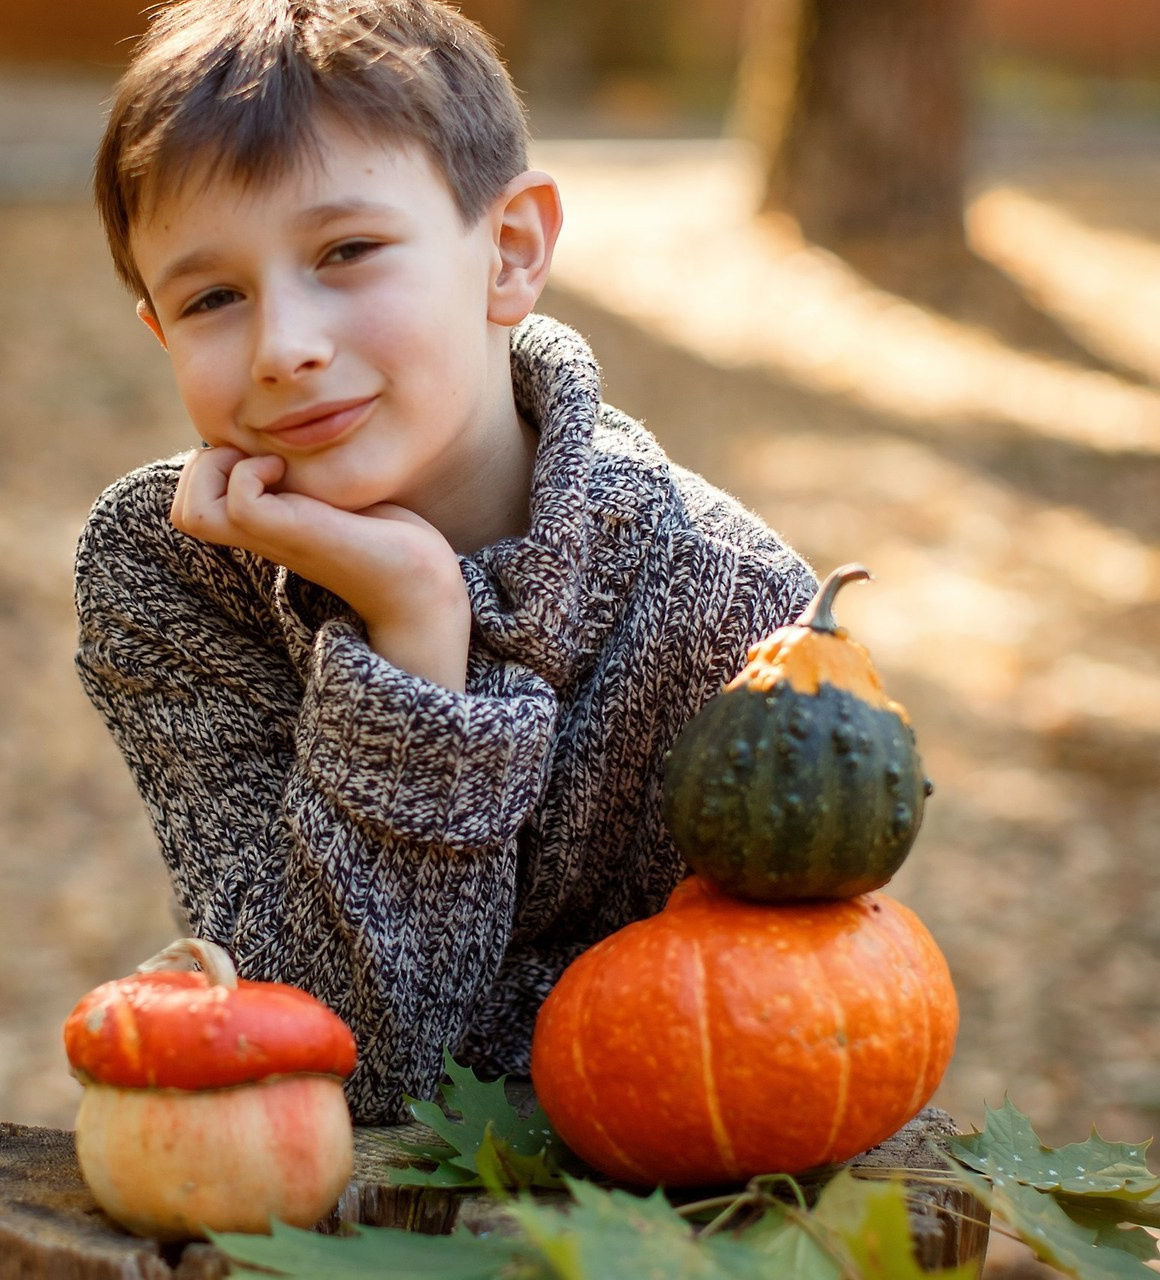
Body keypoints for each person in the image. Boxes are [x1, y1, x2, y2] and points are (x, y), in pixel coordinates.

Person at [75, 0, 816, 1124]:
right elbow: (314, 1052)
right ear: (162, 333)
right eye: (213, 297)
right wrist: (415, 630)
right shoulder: (168, 572)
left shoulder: (738, 616)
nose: (285, 347)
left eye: (347, 251)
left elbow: (760, 1035)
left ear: (508, 251)